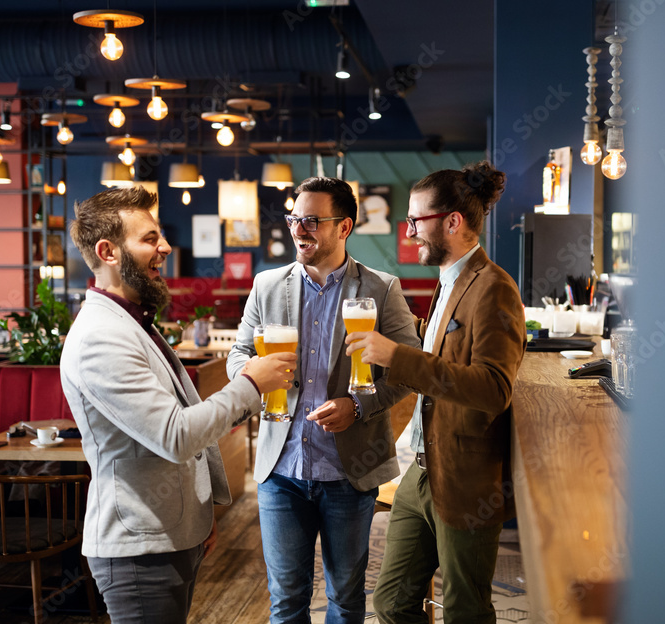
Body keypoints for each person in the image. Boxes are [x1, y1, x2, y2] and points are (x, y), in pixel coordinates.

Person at [61, 186, 296, 624]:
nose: (165, 247)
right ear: (108, 251)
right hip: (138, 547)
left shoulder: (130, 320)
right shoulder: (100, 336)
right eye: (150, 238)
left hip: (167, 534)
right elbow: (175, 436)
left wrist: (197, 517)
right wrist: (250, 382)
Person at [225, 177, 419, 623]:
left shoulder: (381, 288)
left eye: (311, 220)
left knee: (346, 598)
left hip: (349, 472)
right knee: (286, 600)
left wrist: (360, 405)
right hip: (281, 469)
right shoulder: (266, 285)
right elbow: (239, 353)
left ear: (344, 226)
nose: (298, 229)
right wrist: (253, 379)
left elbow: (410, 368)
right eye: (294, 218)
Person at [347, 161, 527, 623]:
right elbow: (439, 370)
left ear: (452, 221)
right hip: (420, 472)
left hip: (468, 479)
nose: (408, 232)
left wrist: (398, 356)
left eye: (415, 220)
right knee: (391, 602)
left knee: (466, 611)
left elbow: (493, 388)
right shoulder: (449, 282)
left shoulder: (494, 289)